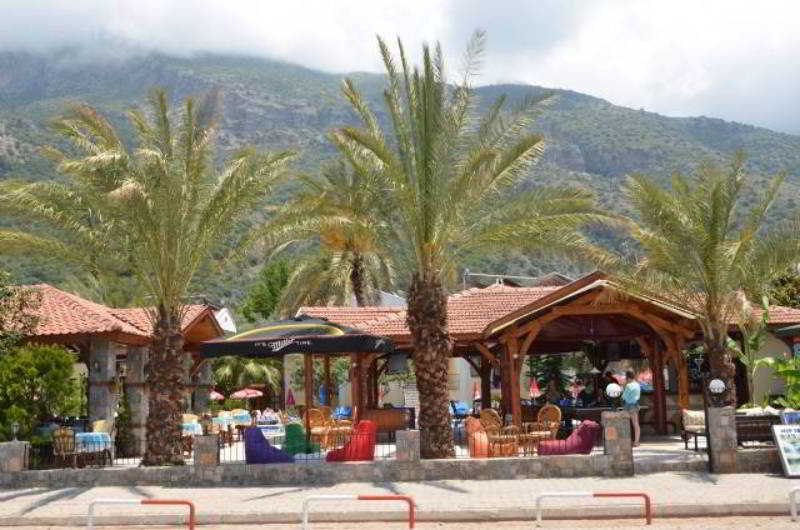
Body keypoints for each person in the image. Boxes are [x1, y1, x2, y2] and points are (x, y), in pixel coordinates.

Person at [622, 370, 641, 446]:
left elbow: (624, 397)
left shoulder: (628, 385)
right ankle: (636, 441)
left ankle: (627, 441)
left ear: (628, 377)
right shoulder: (637, 384)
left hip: (628, 406)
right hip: (635, 405)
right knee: (636, 424)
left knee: (625, 424)